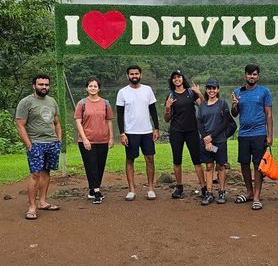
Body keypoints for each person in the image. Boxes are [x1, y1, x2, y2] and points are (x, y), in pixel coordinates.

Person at [15, 74, 62, 220]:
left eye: (46, 85)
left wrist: (58, 140)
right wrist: (29, 144)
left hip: (51, 143)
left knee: (46, 172)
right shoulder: (26, 102)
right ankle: (32, 207)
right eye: (41, 84)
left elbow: (57, 123)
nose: (44, 87)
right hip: (35, 143)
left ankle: (42, 202)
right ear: (34, 86)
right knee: (35, 174)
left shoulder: (52, 101)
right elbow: (20, 125)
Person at [231, 64, 273, 211]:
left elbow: (268, 114)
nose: (251, 77)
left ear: (258, 76)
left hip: (259, 133)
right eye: (249, 74)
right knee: (244, 164)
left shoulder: (264, 92)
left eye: (254, 74)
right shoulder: (238, 92)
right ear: (245, 76)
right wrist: (235, 104)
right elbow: (234, 113)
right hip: (243, 134)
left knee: (257, 165)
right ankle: (248, 192)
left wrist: (270, 135)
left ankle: (256, 196)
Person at [116, 65, 160, 201]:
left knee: (150, 159)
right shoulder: (122, 92)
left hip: (146, 131)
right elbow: (119, 114)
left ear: (140, 75)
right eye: (131, 74)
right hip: (130, 132)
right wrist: (122, 133)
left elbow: (153, 110)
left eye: (136, 73)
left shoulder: (147, 90)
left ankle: (151, 188)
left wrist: (156, 128)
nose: (134, 76)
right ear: (127, 76)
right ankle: (131, 190)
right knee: (130, 160)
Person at [164, 70, 206, 199]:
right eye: (174, 78)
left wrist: (199, 93)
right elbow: (167, 119)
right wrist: (167, 107)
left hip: (192, 131)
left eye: (179, 77)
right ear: (172, 81)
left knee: (197, 160)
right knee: (177, 160)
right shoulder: (170, 95)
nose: (177, 79)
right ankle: (179, 187)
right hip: (176, 131)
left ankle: (204, 188)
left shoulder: (190, 93)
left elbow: (204, 106)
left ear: (183, 79)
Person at [74, 77, 114, 204]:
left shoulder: (105, 103)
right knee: (91, 165)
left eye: (95, 86)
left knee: (100, 166)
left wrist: (111, 137)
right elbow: (78, 122)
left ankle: (92, 190)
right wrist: (84, 139)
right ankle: (97, 192)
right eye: (90, 86)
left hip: (102, 139)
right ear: (87, 88)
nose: (93, 88)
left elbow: (108, 121)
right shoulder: (82, 103)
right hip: (87, 140)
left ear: (99, 88)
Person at [197, 78, 230, 205]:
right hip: (206, 141)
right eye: (209, 88)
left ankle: (222, 191)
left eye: (214, 88)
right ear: (206, 90)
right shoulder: (202, 105)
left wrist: (212, 136)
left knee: (220, 166)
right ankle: (209, 193)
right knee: (209, 166)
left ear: (218, 89)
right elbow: (199, 122)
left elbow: (225, 122)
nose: (212, 90)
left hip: (220, 140)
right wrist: (206, 138)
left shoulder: (222, 104)